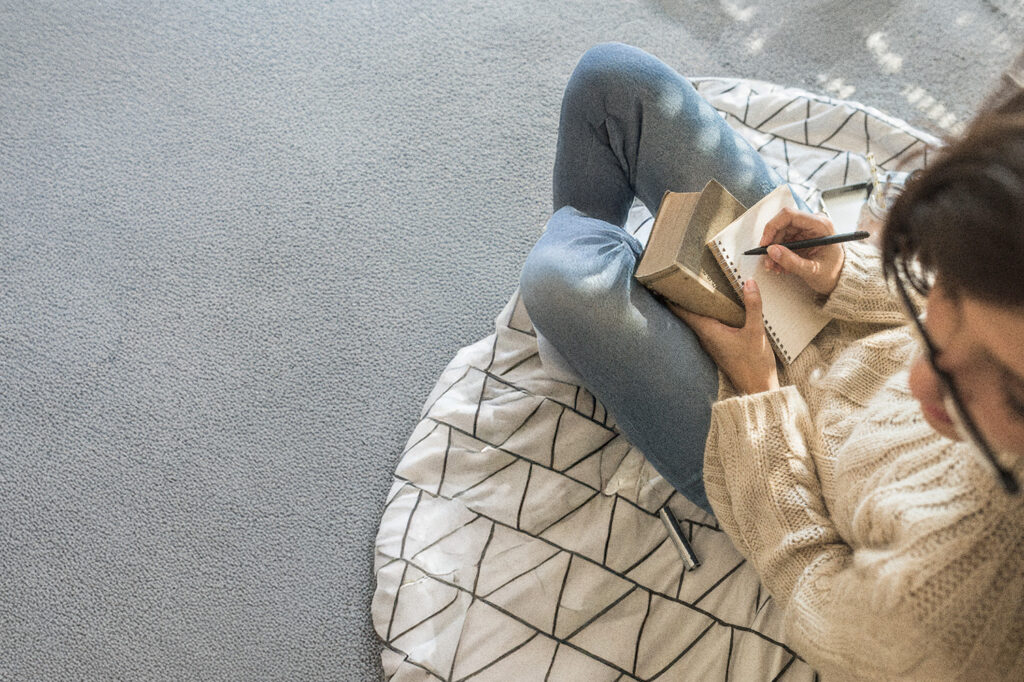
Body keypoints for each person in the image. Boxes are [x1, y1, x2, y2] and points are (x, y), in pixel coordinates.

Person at [518, 42, 1024, 679]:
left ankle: (581, 340)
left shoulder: (957, 620)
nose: (919, 378)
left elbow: (811, 581)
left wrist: (759, 396)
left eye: (1011, 396)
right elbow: (959, 294)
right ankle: (581, 344)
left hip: (770, 455)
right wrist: (844, 271)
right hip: (821, 317)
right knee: (616, 83)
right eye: (951, 299)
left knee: (563, 270)